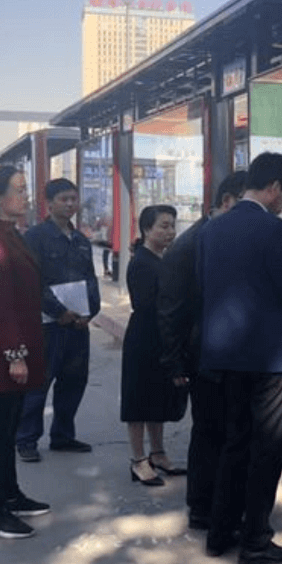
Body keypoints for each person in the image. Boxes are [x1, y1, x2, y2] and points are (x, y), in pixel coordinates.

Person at [198, 152, 282, 564]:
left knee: (235, 443)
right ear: (273, 188)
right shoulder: (272, 228)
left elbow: (205, 284)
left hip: (227, 355)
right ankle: (255, 540)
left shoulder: (213, 228)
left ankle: (220, 532)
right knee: (267, 450)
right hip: (271, 359)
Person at [157, 170, 248, 529]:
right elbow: (170, 311)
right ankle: (202, 507)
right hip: (201, 354)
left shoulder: (223, 237)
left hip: (225, 351)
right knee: (210, 431)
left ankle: (219, 503)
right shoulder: (190, 245)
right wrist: (175, 362)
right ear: (227, 202)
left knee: (224, 430)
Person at [0, 166, 51, 540]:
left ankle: (10, 495)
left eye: (25, 188)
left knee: (8, 427)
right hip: (5, 352)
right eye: (18, 189)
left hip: (18, 345)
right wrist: (15, 354)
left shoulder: (9, 233)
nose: (26, 195)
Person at [17, 178, 101, 462]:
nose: (69, 204)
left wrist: (91, 311)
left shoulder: (81, 240)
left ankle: (63, 435)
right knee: (39, 384)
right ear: (49, 203)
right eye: (64, 199)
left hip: (78, 326)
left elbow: (90, 279)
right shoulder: (36, 238)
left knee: (74, 382)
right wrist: (59, 312)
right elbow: (32, 282)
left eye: (73, 199)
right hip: (48, 325)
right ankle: (26, 439)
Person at [121, 204, 182, 487]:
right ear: (147, 229)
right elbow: (147, 305)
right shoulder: (142, 262)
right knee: (138, 400)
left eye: (172, 226)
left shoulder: (162, 259)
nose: (170, 232)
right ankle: (138, 460)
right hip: (144, 338)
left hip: (162, 338)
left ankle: (158, 453)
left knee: (158, 398)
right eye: (164, 226)